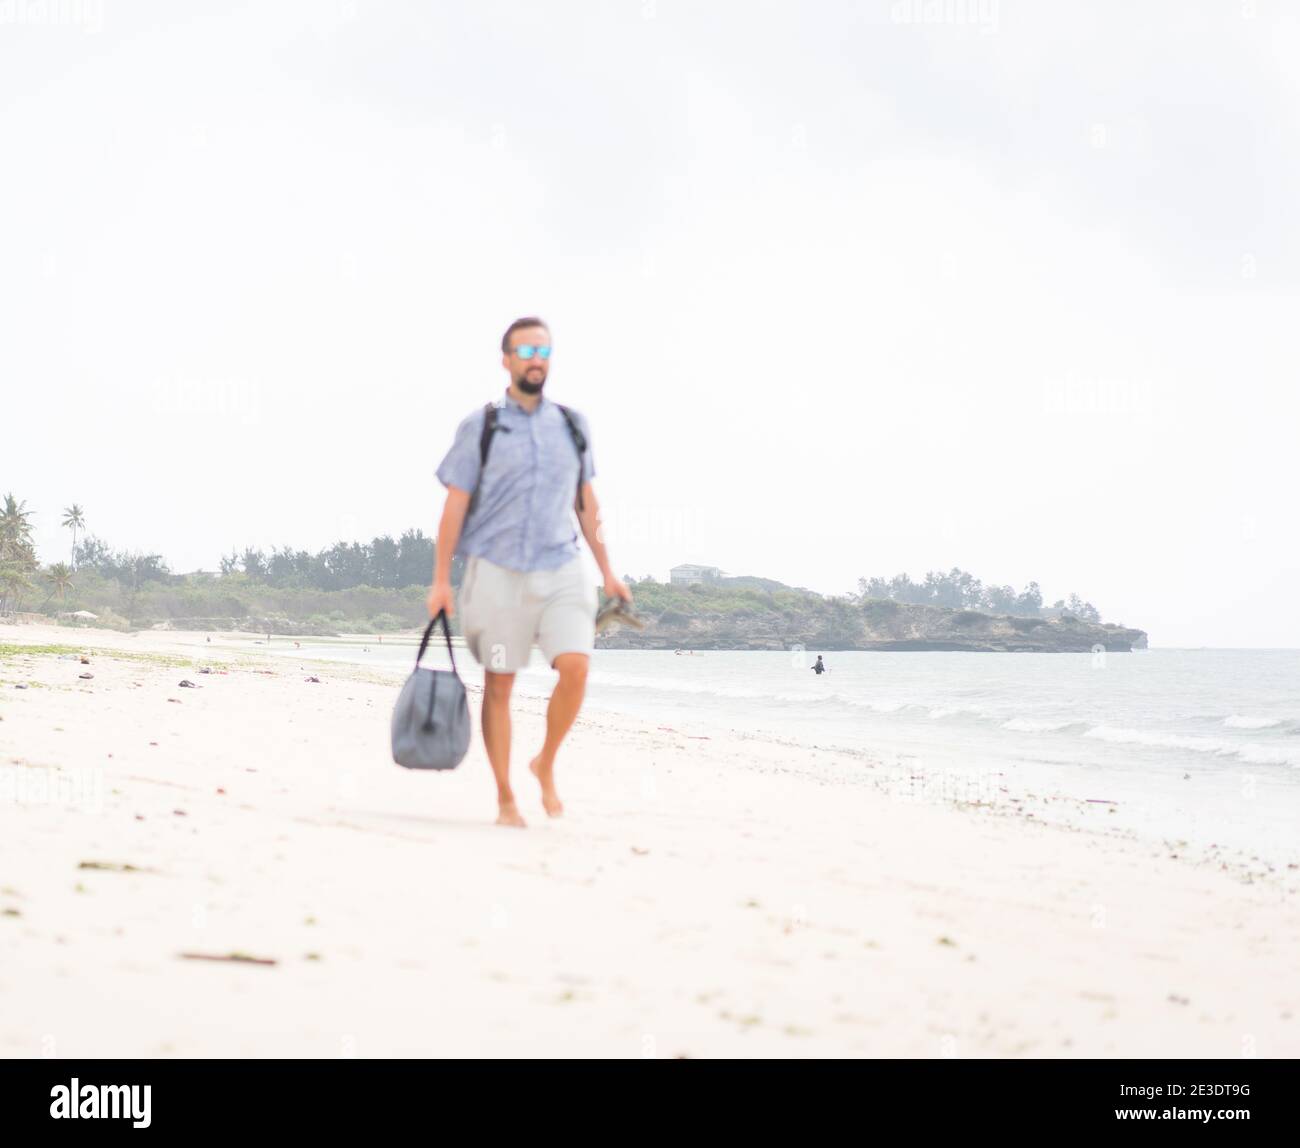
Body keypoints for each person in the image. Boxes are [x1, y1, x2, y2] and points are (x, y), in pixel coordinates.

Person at [427, 317, 632, 828]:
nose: (536, 358)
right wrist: (438, 580)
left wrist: (608, 570)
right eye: (525, 349)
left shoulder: (571, 425)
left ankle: (545, 762)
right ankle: (504, 798)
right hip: (497, 571)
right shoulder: (483, 426)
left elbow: (587, 504)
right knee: (500, 685)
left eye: (543, 349)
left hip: (563, 567)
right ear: (506, 359)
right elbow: (455, 506)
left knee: (577, 667)